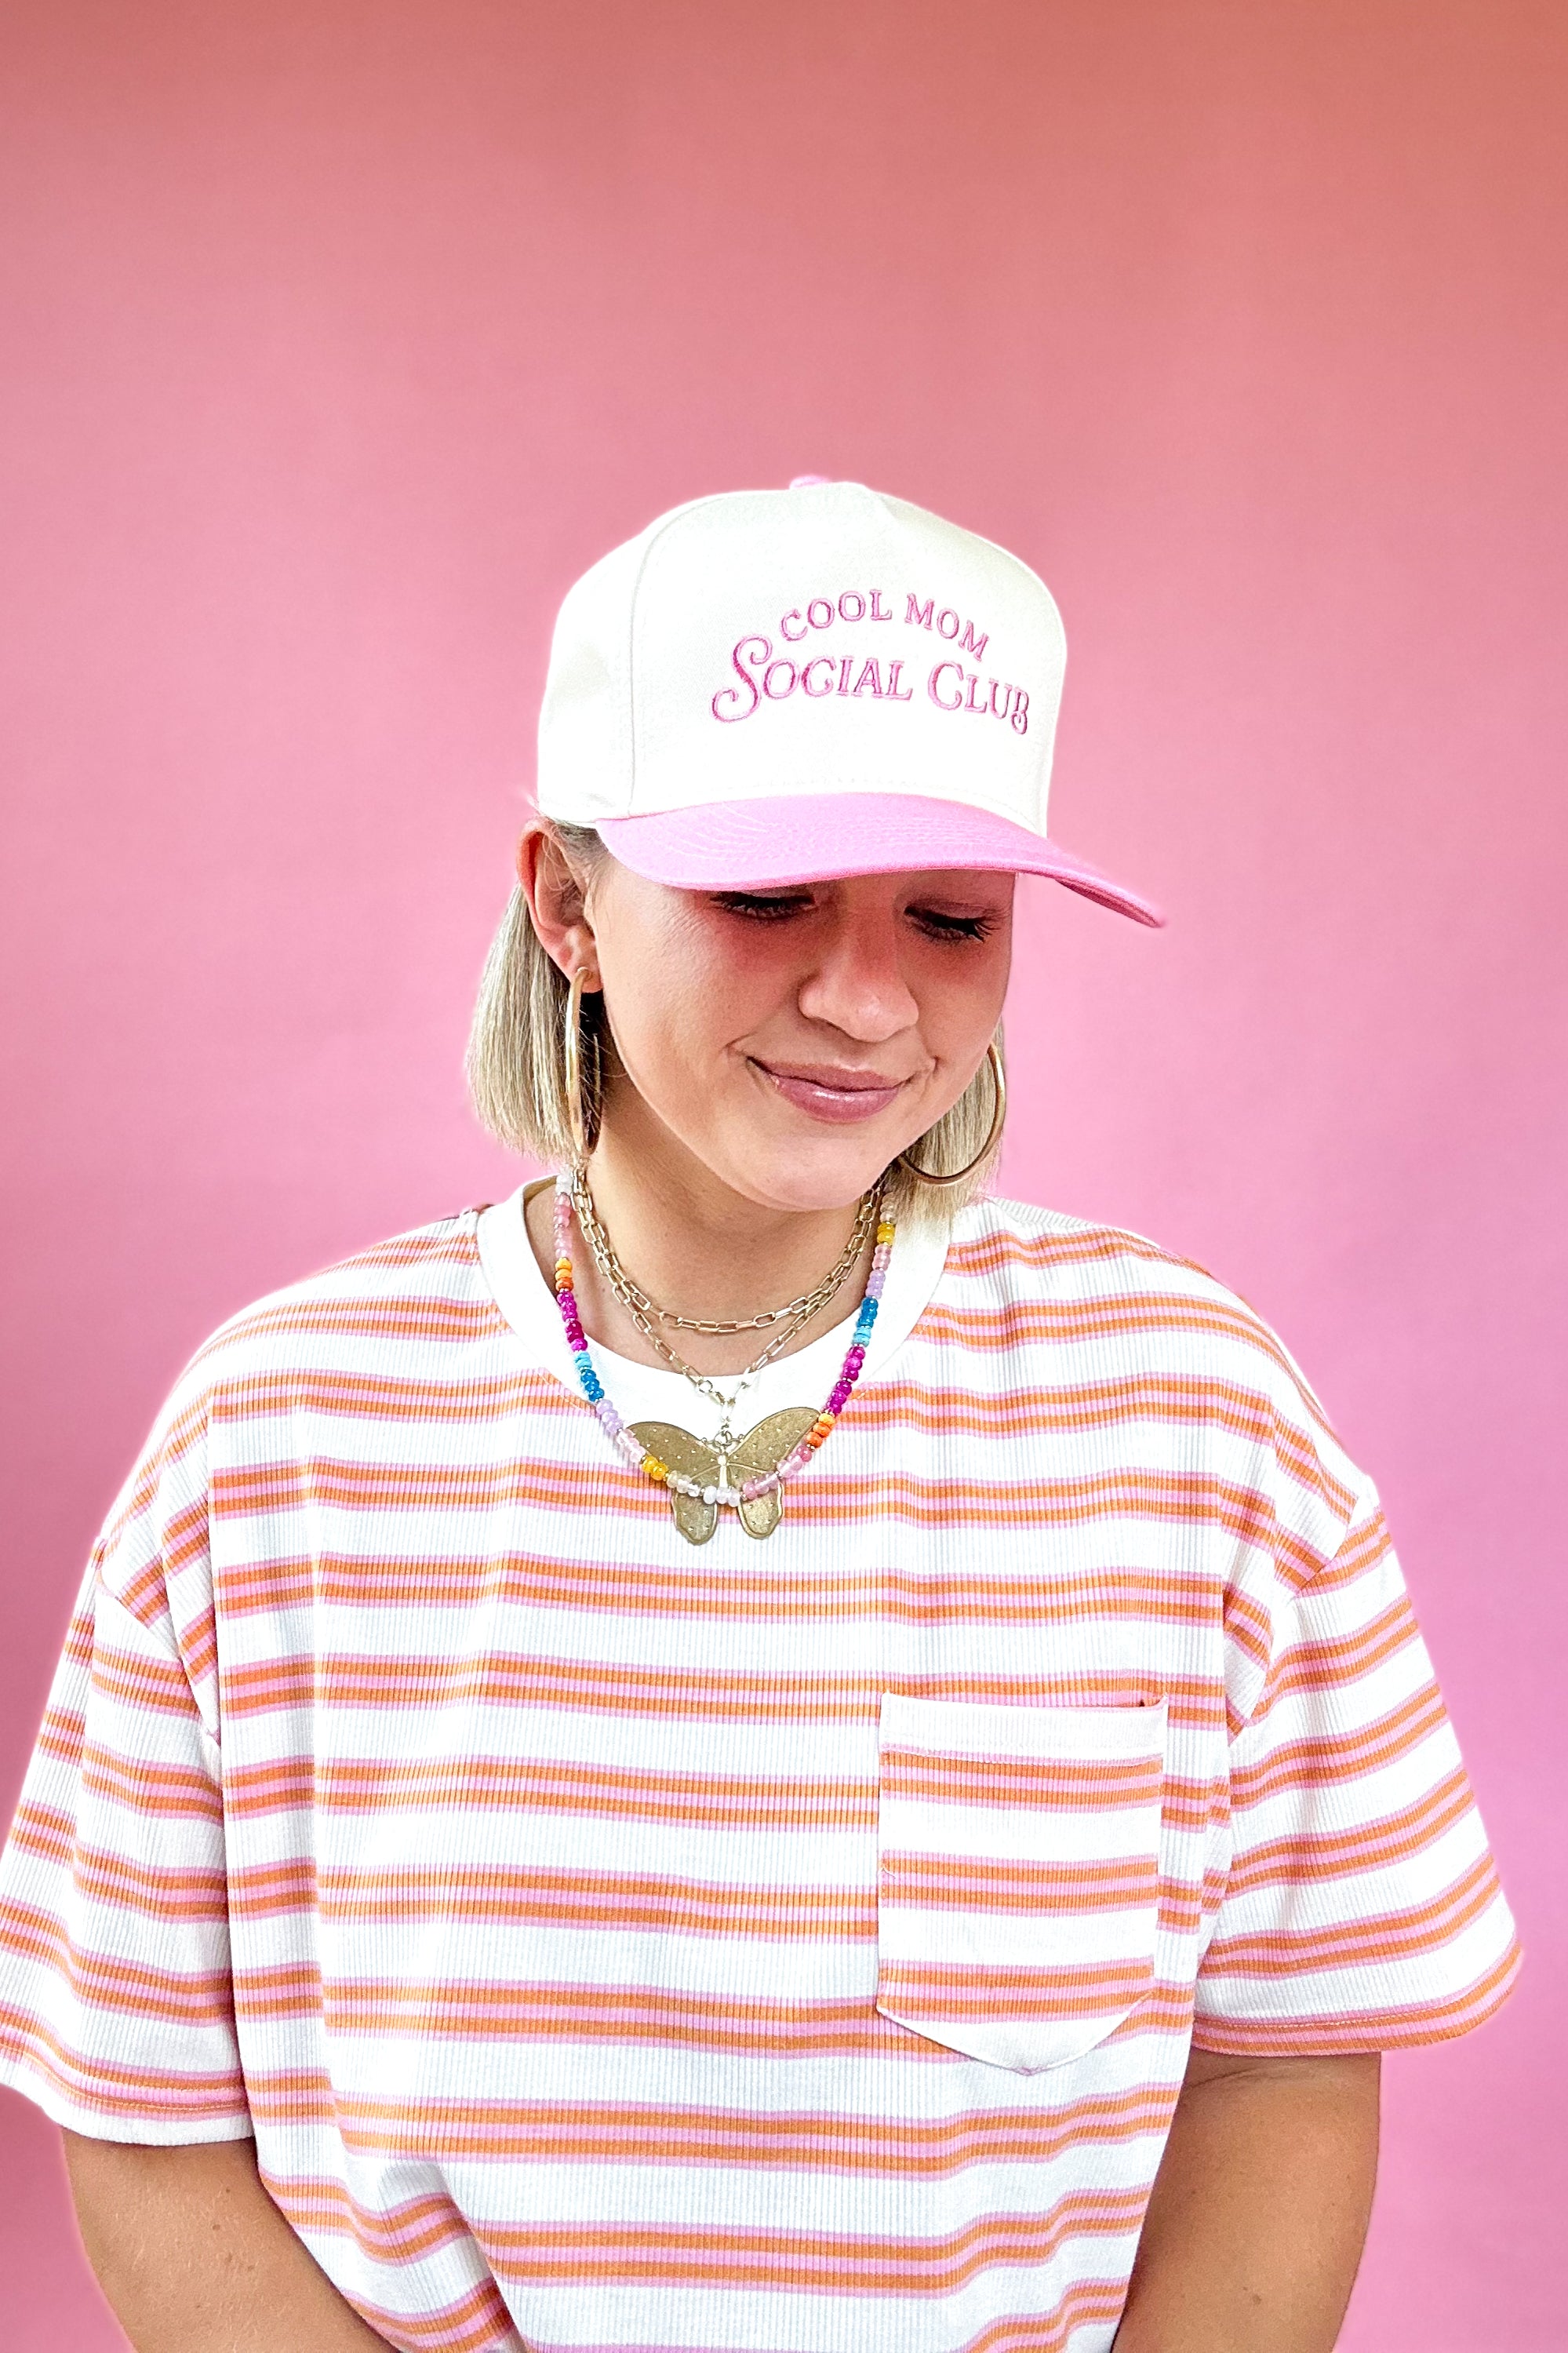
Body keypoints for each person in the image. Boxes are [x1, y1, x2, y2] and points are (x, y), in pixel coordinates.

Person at [0, 481, 1518, 2353]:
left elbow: (1282, 2062)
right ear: (567, 904)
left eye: (948, 916)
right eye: (765, 895)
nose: (866, 1002)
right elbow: (140, 2105)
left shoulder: (1200, 1425)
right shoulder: (272, 1442)